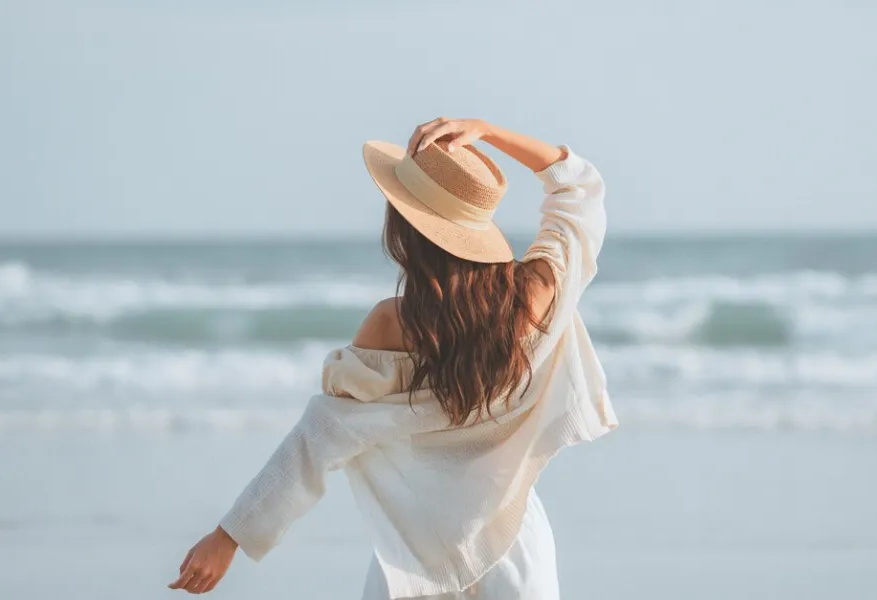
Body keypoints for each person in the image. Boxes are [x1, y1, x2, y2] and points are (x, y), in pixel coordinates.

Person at [168, 117, 616, 599]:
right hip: (515, 544)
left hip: (416, 557)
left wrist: (231, 536)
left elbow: (319, 439)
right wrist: (488, 132)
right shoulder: (535, 295)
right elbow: (579, 189)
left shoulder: (391, 325)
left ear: (405, 227)